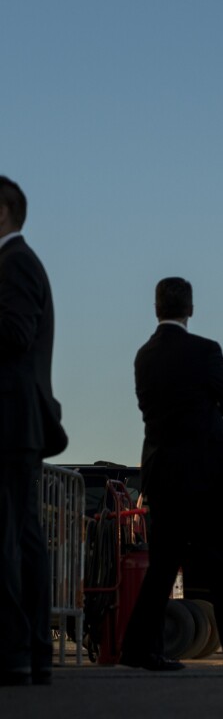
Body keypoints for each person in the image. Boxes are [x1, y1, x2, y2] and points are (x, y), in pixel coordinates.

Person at [120, 277, 223, 672]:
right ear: (190, 309)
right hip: (208, 472)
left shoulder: (144, 356)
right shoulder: (205, 350)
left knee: (161, 567)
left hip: (163, 472)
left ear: (157, 309)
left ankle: (140, 648)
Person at [0, 176, 67, 687]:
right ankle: (31, 655)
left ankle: (18, 652)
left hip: (10, 422)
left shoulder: (15, 262)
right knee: (24, 537)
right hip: (18, 423)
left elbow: (15, 334)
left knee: (13, 540)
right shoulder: (23, 262)